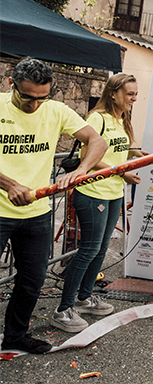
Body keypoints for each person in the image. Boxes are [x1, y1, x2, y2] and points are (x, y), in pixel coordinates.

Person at [0, 58, 107, 354]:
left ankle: (15, 336)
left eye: (41, 98)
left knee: (31, 281)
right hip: (0, 211)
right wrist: (10, 185)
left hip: (36, 213)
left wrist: (82, 168)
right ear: (12, 85)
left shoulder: (56, 110)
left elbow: (96, 141)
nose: (34, 104)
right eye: (27, 96)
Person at [50, 74, 146, 333]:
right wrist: (122, 171)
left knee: (101, 249)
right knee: (89, 249)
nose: (134, 99)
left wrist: (134, 154)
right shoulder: (98, 118)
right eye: (130, 94)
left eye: (136, 94)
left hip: (114, 192)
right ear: (113, 93)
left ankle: (84, 297)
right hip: (93, 192)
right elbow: (88, 156)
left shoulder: (121, 119)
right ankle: (63, 309)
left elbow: (114, 149)